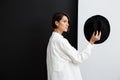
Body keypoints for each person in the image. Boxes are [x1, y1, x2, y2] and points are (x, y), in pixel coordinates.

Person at [46, 12, 101, 80]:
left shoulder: (52, 40)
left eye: (68, 22)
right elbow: (78, 58)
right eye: (64, 21)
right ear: (57, 23)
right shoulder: (59, 41)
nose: (67, 24)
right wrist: (91, 42)